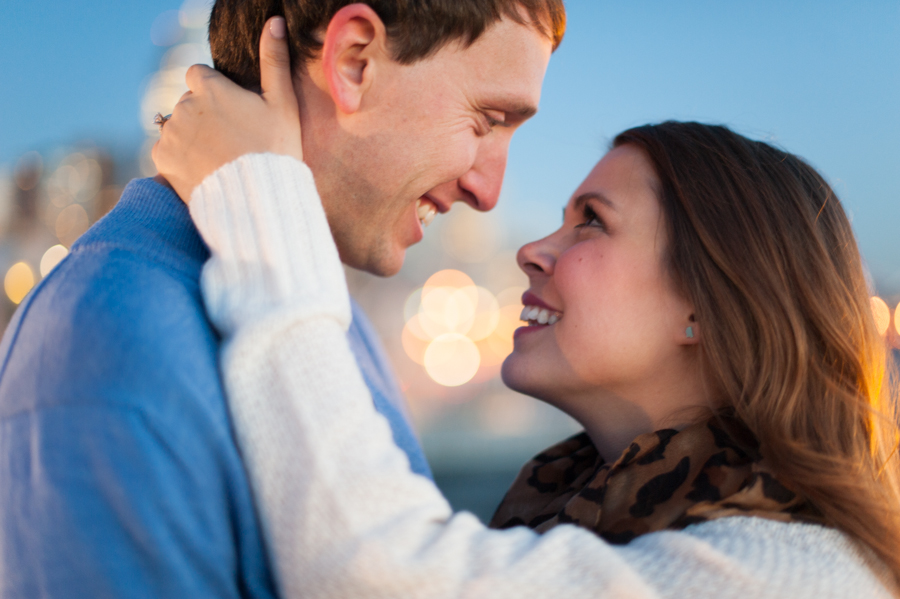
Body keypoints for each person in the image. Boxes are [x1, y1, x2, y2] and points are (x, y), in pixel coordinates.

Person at [153, 24, 900, 598]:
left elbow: (379, 571)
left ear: (707, 306)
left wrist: (259, 202)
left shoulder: (790, 571)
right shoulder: (594, 511)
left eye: (592, 222)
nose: (533, 248)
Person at [0, 2, 562, 597]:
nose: (489, 189)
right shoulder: (110, 343)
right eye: (486, 120)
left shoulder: (311, 303)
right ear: (353, 61)